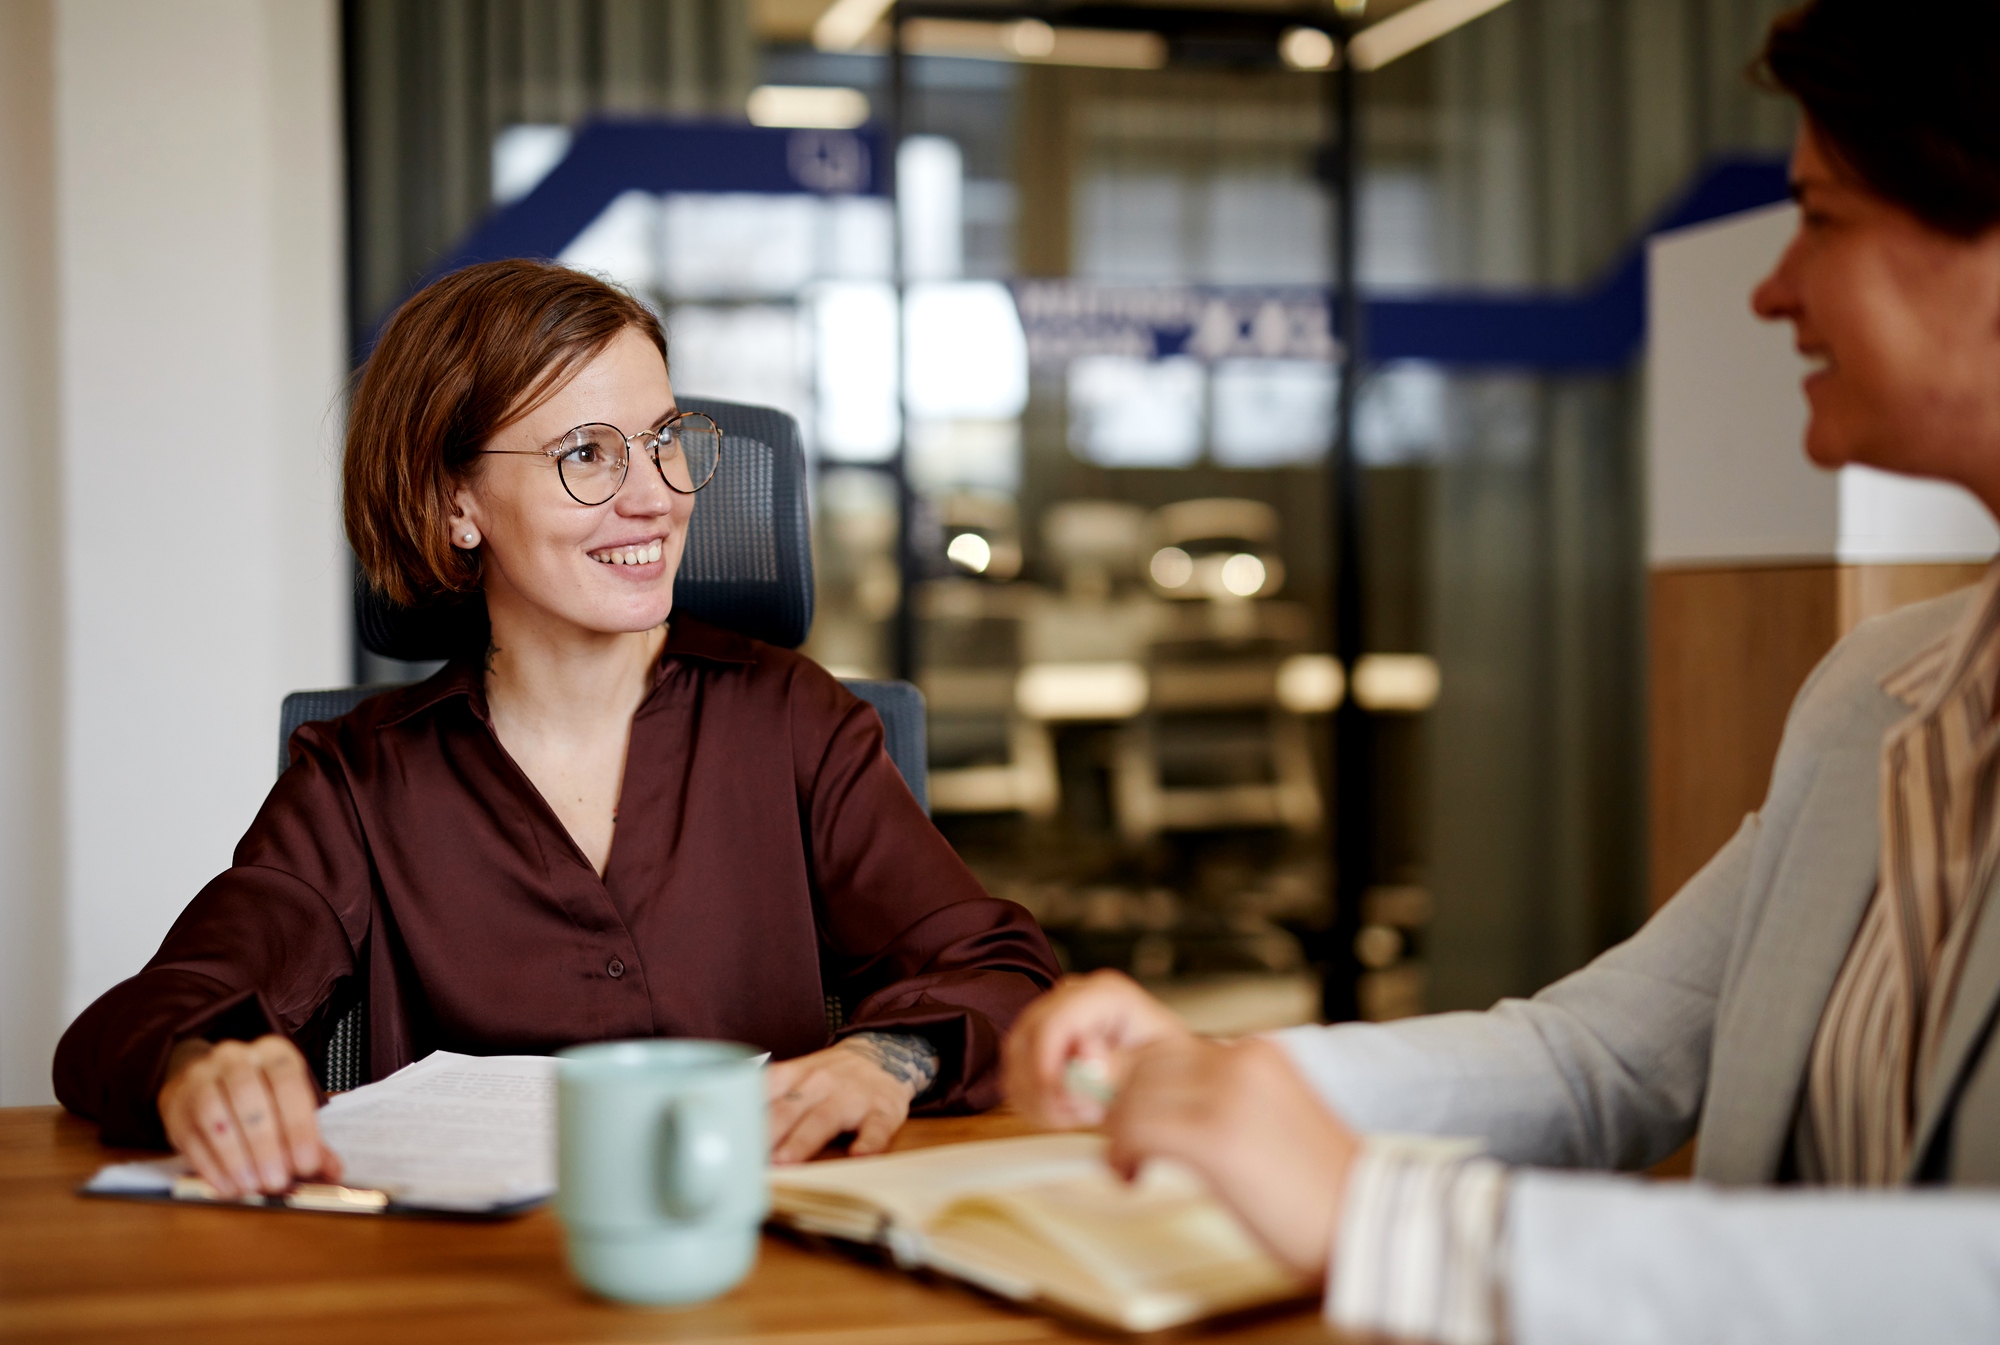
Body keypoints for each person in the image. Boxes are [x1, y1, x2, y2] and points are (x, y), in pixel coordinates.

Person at [1007, 2, 2000, 1342]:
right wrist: (1216, 1078)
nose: (1772, 288)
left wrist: (1393, 1225)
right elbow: (1597, 1057)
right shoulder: (1875, 699)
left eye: (1821, 218)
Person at [54, 259, 1058, 1196]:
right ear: (456, 503)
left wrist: (882, 1059)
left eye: (665, 441)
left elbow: (999, 968)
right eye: (586, 453)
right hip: (472, 1298)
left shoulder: (792, 718)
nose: (655, 495)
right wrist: (199, 1066)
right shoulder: (359, 779)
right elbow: (153, 1014)